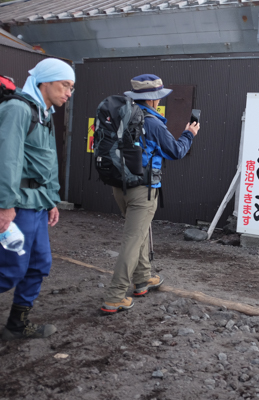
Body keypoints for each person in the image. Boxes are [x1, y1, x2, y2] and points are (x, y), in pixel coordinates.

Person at [101, 74, 199, 314]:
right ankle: (115, 296)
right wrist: (189, 134)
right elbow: (175, 151)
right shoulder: (153, 123)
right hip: (143, 191)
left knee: (140, 232)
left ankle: (143, 279)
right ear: (154, 99)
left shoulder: (121, 116)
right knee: (132, 241)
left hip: (120, 187)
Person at [0, 58, 75, 340]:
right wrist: (4, 206)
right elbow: (6, 160)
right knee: (9, 270)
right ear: (45, 81)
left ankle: (17, 325)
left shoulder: (43, 113)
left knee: (38, 264)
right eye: (64, 85)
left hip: (37, 204)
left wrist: (51, 199)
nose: (69, 92)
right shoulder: (18, 109)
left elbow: (46, 161)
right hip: (17, 204)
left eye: (72, 87)